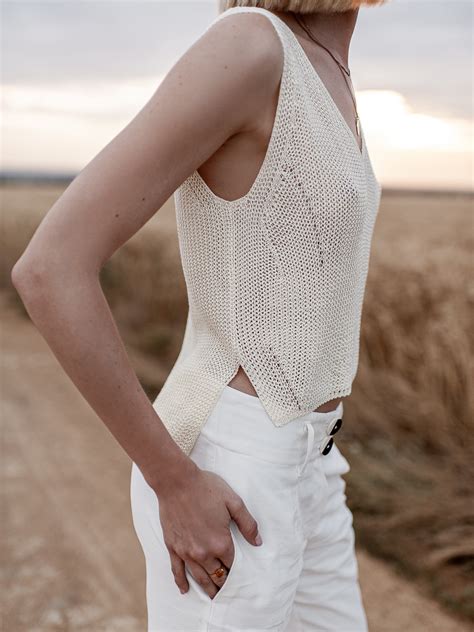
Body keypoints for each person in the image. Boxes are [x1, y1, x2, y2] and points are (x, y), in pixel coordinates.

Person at [12, 0, 387, 629]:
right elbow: (50, 269)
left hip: (317, 467)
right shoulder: (250, 46)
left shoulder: (329, 67)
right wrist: (174, 482)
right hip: (234, 474)